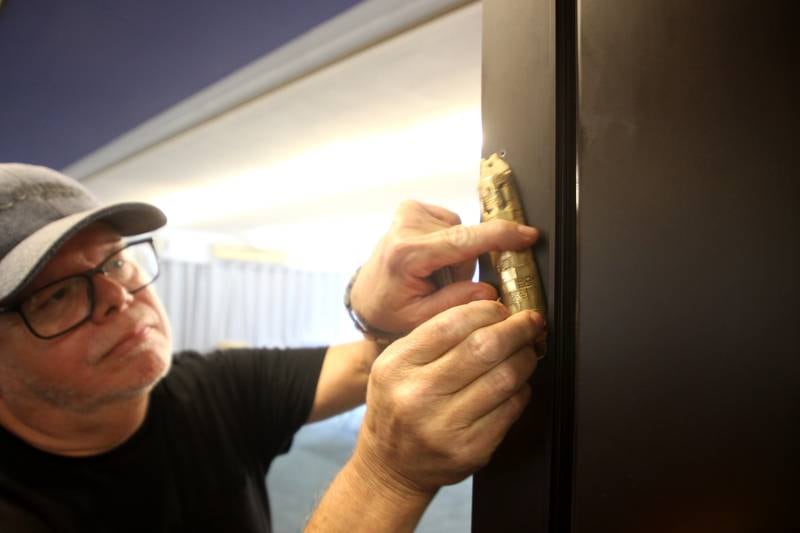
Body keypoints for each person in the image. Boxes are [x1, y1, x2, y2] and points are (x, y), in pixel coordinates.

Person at [0, 163, 545, 532]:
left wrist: (374, 308)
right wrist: (387, 478)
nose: (118, 296)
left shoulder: (207, 386)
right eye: (58, 295)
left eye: (116, 260)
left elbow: (370, 362)